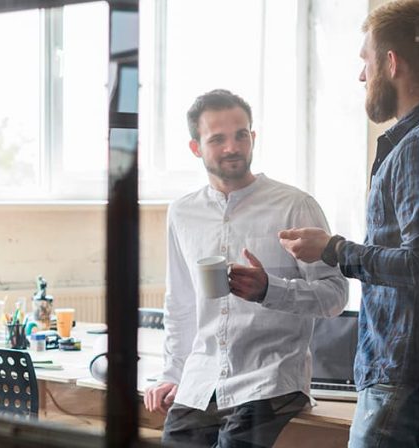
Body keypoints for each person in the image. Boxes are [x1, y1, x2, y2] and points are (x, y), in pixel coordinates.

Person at [277, 1, 419, 446]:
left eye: (366, 62)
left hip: (407, 379)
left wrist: (334, 250)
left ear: (391, 63)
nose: (362, 76)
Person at [143, 89, 348, 447]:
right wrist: (172, 373)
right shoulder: (182, 213)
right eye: (217, 139)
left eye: (241, 135)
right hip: (201, 379)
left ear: (253, 137)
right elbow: (181, 304)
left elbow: (335, 296)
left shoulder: (295, 206)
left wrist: (270, 290)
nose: (232, 147)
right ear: (196, 147)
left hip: (270, 378)